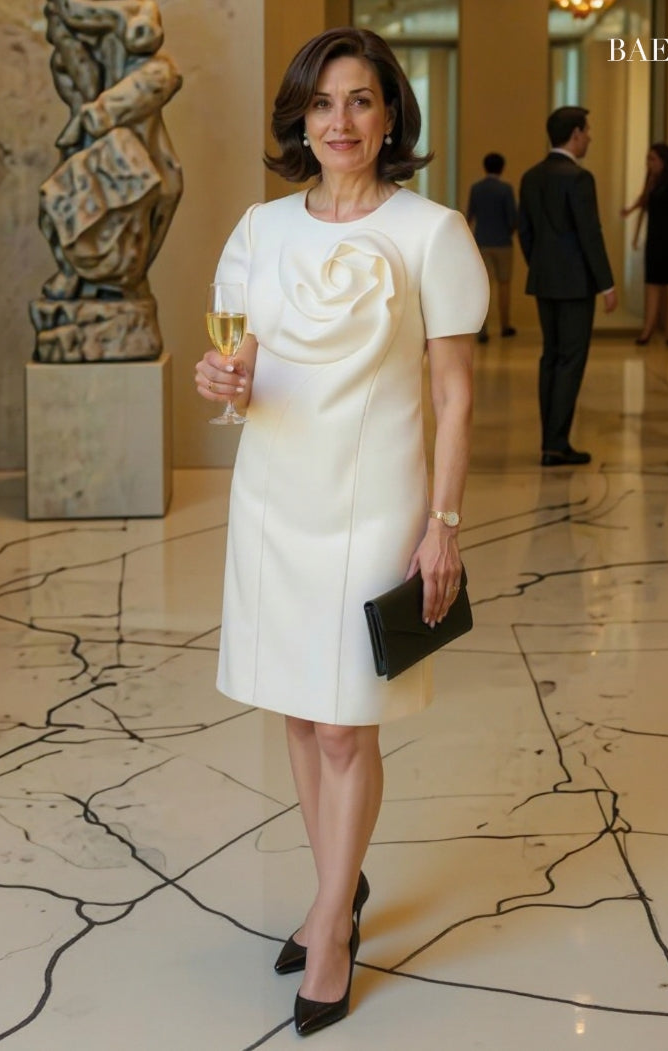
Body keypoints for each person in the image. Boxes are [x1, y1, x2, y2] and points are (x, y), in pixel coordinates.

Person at [194, 26, 488, 1038]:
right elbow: (242, 369)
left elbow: (454, 398)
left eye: (360, 100)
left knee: (342, 720)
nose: (340, 121)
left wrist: (443, 525)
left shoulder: (431, 233)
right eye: (322, 104)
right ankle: (339, 887)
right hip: (275, 499)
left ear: (391, 113)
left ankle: (328, 926)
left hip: (375, 501)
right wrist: (224, 381)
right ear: (300, 120)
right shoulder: (260, 229)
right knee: (296, 705)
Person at [518, 105, 617, 467]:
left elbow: (525, 232)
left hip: (545, 280)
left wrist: (541, 266)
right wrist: (606, 283)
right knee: (571, 361)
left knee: (551, 357)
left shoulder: (531, 177)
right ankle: (557, 444)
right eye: (587, 130)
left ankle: (550, 441)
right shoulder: (579, 178)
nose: (589, 137)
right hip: (576, 284)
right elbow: (590, 234)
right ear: (575, 134)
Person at [621, 142, 668, 345]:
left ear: (664, 161)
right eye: (648, 159)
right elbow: (643, 203)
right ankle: (649, 330)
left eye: (653, 159)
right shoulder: (652, 183)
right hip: (654, 239)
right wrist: (631, 216)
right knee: (652, 283)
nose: (649, 163)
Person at [466, 152, 518, 341]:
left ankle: (482, 329)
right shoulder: (505, 189)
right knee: (504, 285)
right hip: (503, 243)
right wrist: (508, 231)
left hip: (482, 242)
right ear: (502, 168)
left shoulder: (476, 188)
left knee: (484, 287)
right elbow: (513, 218)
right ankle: (505, 325)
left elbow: (469, 215)